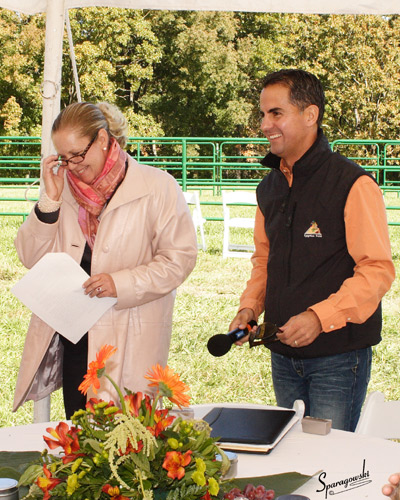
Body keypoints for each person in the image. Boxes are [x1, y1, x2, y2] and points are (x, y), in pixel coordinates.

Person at [229, 69, 395, 432]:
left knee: (331, 465)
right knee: (294, 452)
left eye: (276, 113)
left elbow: (377, 270)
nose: (264, 124)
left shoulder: (353, 183)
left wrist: (320, 318)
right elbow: (263, 261)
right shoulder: (268, 188)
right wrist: (249, 308)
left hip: (338, 358)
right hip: (282, 357)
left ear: (310, 115)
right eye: (262, 114)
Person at [13, 102, 197, 418]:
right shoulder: (62, 191)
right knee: (82, 443)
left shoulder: (157, 186)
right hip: (76, 341)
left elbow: (178, 260)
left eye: (77, 155)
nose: (71, 166)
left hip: (134, 335)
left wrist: (120, 283)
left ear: (101, 139)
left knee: (132, 445)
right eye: (63, 158)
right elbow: (30, 257)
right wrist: (49, 200)